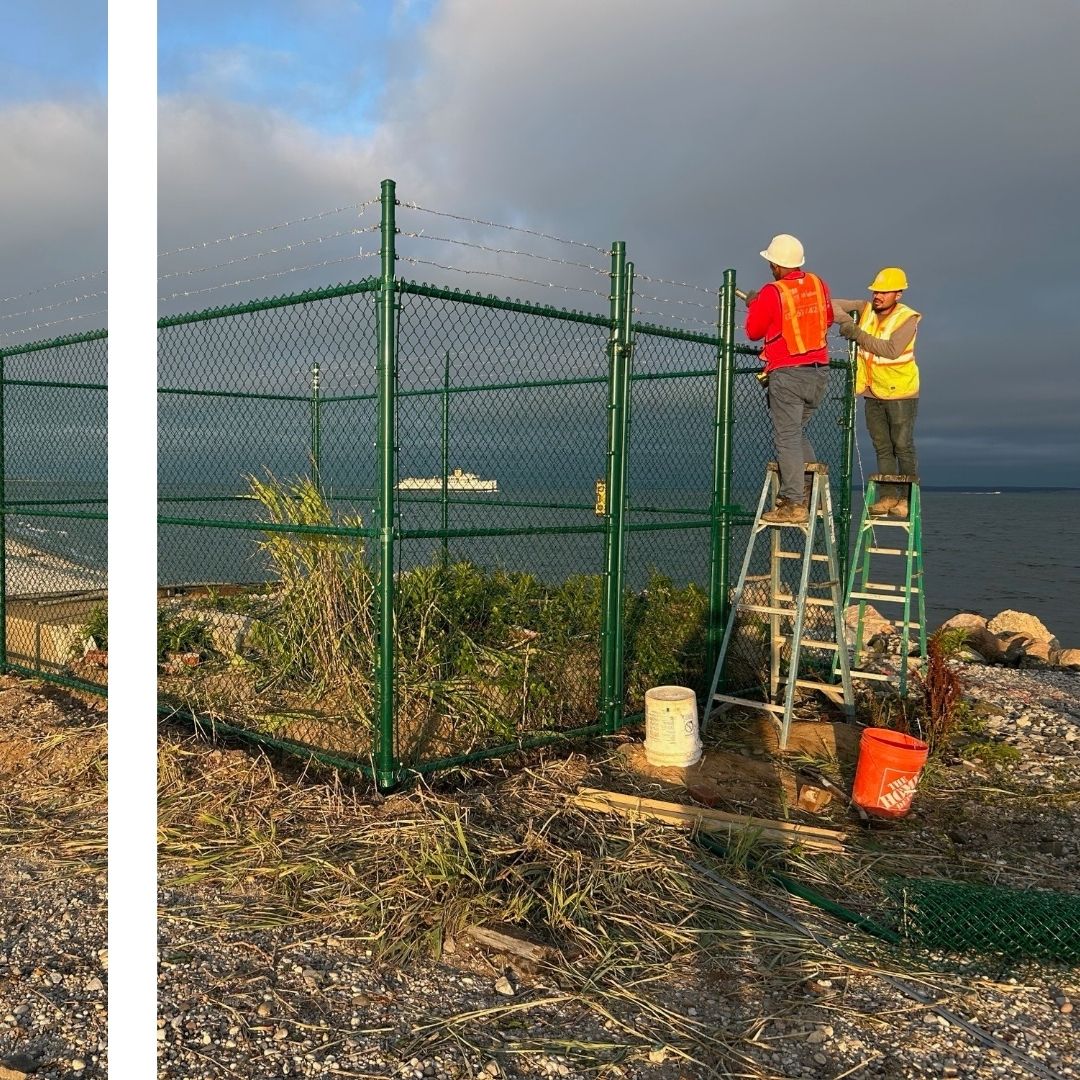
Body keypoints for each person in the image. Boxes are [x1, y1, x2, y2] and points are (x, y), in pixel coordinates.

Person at [744, 234, 834, 524]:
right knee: (795, 432)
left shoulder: (773, 292)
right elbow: (827, 318)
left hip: (788, 372)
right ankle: (809, 495)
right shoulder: (818, 284)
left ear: (776, 264)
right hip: (819, 371)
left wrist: (755, 304)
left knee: (787, 436)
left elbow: (753, 331)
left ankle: (794, 502)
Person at [832, 268, 921, 518]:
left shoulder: (908, 318)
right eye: (875, 291)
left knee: (902, 446)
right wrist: (846, 320)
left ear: (898, 294)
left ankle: (906, 500)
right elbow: (831, 304)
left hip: (901, 392)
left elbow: (891, 350)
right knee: (882, 446)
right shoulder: (865, 308)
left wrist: (856, 333)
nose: (877, 296)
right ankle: (888, 497)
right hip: (873, 390)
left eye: (883, 291)